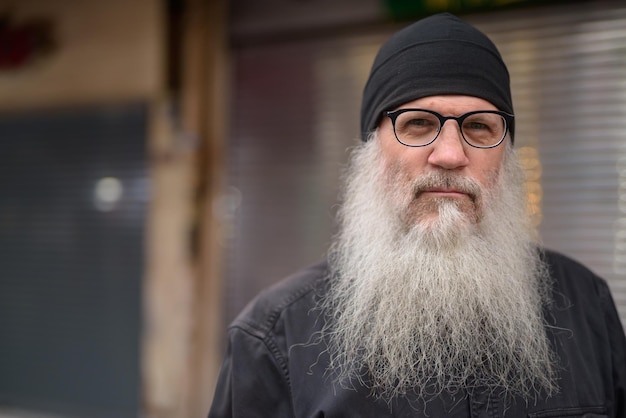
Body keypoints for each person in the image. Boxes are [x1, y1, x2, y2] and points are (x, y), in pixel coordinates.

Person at [208, 13, 626, 417]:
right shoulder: (274, 335)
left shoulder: (586, 304)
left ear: (506, 157)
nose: (449, 155)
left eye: (479, 127)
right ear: (372, 151)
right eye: (418, 124)